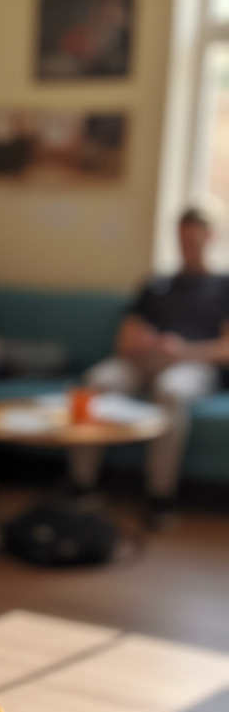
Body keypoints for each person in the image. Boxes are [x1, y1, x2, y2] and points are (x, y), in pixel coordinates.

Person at [72, 207, 229, 525]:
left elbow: (226, 350)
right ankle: (81, 484)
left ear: (209, 238)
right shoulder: (155, 283)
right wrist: (141, 343)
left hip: (192, 364)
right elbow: (124, 341)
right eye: (181, 239)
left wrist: (183, 351)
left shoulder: (224, 286)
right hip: (141, 361)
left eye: (193, 240)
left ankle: (161, 495)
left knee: (169, 391)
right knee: (94, 383)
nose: (187, 246)